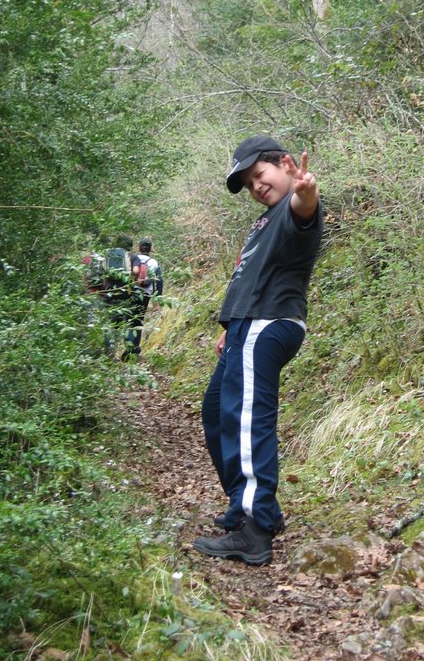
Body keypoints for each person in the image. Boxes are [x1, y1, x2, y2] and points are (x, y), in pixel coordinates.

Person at [195, 134, 323, 566]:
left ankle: (255, 526)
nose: (256, 186)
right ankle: (245, 502)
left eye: (259, 174)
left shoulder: (293, 208)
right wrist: (229, 327)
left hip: (269, 322)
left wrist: (306, 191)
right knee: (218, 411)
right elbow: (249, 277)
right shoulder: (263, 223)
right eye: (249, 184)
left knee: (248, 418)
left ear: (285, 164)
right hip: (244, 326)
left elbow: (305, 208)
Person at [124, 237, 164, 358]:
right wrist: (157, 301)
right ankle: (134, 350)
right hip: (145, 294)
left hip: (131, 292)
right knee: (138, 320)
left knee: (129, 319)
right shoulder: (154, 262)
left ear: (139, 248)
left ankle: (128, 348)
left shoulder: (132, 258)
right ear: (151, 249)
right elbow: (159, 282)